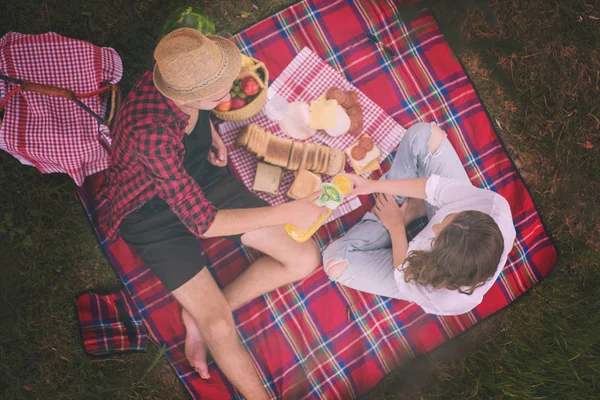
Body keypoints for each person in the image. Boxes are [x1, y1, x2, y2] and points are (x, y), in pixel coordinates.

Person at [96, 28, 327, 400]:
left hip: (197, 176)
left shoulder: (176, 75)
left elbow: (195, 116)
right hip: (148, 212)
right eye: (220, 88)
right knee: (219, 324)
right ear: (194, 94)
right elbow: (204, 223)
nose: (230, 90)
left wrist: (209, 137)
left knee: (305, 257)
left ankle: (196, 317)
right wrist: (289, 211)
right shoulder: (149, 134)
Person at [323, 122, 516, 316]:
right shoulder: (492, 206)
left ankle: (400, 212)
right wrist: (371, 186)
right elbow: (433, 188)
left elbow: (404, 272)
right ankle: (401, 205)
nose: (436, 225)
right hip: (436, 232)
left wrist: (397, 226)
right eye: (450, 215)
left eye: (437, 233)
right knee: (424, 135)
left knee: (334, 262)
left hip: (408, 269)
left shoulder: (441, 296)